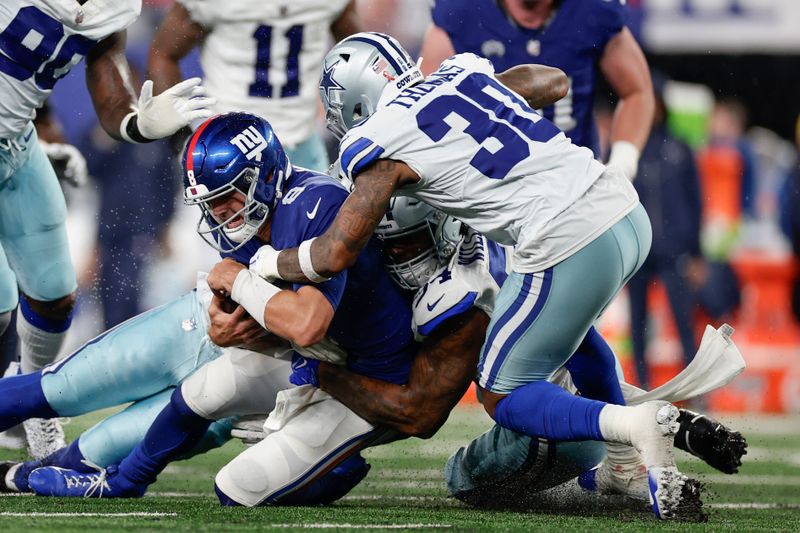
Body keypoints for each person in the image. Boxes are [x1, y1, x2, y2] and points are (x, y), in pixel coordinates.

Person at [248, 32, 698, 519]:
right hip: (625, 212)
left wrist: (269, 263)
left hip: (565, 233)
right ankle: (626, 465)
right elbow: (555, 83)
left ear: (356, 99)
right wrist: (490, 93)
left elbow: (335, 253)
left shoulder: (374, 141)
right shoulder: (460, 72)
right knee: (574, 339)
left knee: (501, 392)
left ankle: (634, 426)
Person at [26, 112, 417, 506]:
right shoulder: (247, 216)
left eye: (227, 196)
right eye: (209, 201)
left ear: (265, 177)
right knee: (204, 388)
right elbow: (266, 322)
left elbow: (306, 324)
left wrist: (239, 282)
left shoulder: (316, 202)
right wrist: (224, 325)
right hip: (316, 360)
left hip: (366, 380)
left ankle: (335, 464)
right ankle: (124, 481)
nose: (219, 212)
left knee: (238, 488)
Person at [290, 197, 745, 515]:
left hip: (550, 423)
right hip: (591, 394)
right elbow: (588, 347)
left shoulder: (447, 299)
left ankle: (616, 462)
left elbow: (418, 416)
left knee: (460, 478)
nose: (400, 257)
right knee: (558, 372)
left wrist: (322, 373)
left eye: (409, 243)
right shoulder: (500, 249)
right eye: (391, 247)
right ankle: (654, 432)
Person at [0, 0, 213, 457]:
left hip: (14, 146)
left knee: (54, 295)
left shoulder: (112, 9)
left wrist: (138, 124)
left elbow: (109, 86)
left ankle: (35, 409)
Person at [419, 0, 654, 179]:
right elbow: (425, 110)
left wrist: (622, 165)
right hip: (487, 184)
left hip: (573, 181)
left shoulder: (592, 9)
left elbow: (636, 92)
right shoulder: (461, 12)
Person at [148, 0, 363, 171]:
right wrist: (183, 143)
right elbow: (162, 57)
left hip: (303, 144)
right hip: (228, 147)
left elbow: (360, 56)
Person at [627, 74, 705, 389]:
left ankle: (696, 389)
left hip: (675, 252)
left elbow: (696, 203)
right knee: (638, 326)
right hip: (639, 252)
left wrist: (697, 253)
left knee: (684, 322)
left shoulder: (679, 146)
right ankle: (641, 388)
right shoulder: (629, 147)